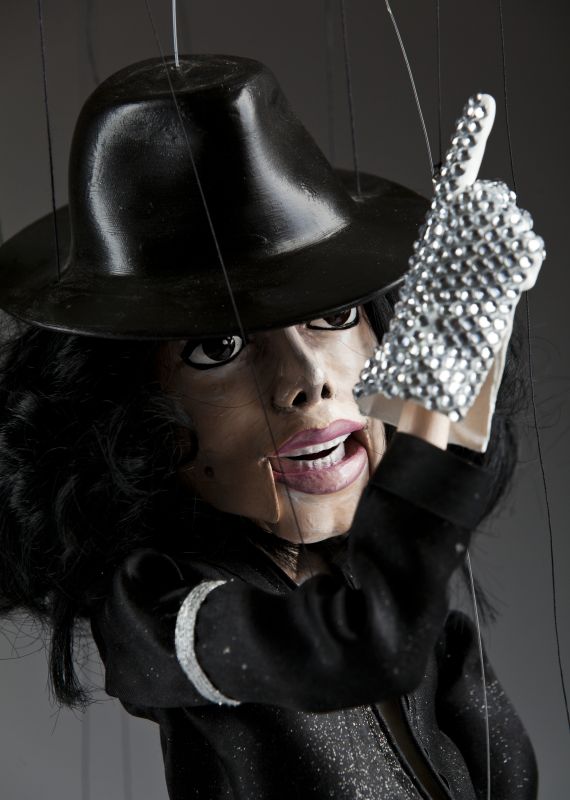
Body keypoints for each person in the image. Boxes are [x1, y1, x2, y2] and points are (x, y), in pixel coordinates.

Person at [0, 55, 542, 799]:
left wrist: (472, 366)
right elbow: (360, 645)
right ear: (130, 417)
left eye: (335, 315)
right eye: (217, 348)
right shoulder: (157, 612)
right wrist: (435, 436)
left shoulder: (396, 590)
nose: (307, 379)